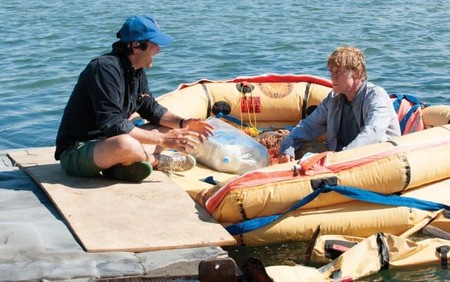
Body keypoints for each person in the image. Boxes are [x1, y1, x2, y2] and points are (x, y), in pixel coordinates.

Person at [55, 15, 214, 183]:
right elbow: (113, 124)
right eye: (155, 44)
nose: (158, 50)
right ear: (136, 46)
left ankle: (119, 167)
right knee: (127, 144)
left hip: (108, 144)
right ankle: (156, 161)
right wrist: (163, 140)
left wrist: (184, 123)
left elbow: (152, 110)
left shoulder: (136, 71)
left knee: (166, 128)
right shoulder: (104, 69)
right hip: (78, 151)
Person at [278, 45, 401, 163]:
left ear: (357, 73)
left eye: (338, 72)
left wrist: (341, 158)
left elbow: (373, 133)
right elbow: (308, 126)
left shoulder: (376, 96)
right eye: (331, 71)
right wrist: (287, 146)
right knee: (301, 147)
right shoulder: (334, 99)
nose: (332, 76)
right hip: (339, 156)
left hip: (375, 159)